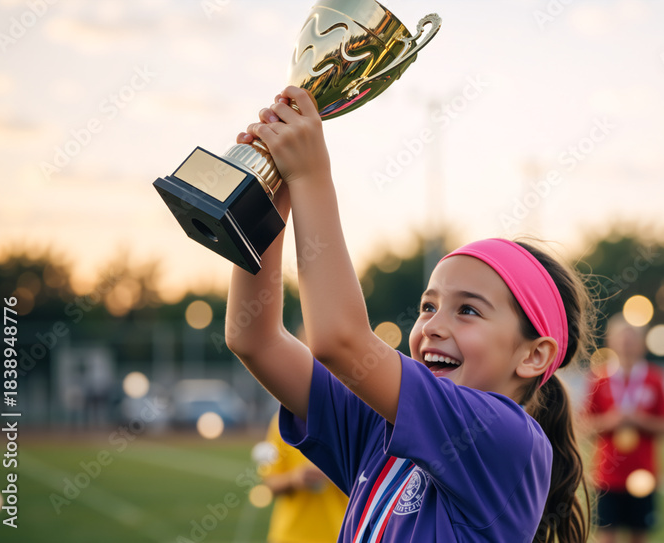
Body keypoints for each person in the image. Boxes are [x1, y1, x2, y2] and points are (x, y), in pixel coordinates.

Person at [224, 87, 593, 543]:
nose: (434, 325)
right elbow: (254, 339)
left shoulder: (507, 437)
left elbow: (339, 340)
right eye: (428, 306)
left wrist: (311, 174)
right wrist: (264, 207)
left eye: (468, 310)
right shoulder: (382, 434)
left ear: (534, 356)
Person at [582, 315, 664, 543]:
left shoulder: (655, 379)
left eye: (631, 339)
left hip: (643, 473)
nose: (626, 344)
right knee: (606, 536)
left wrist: (639, 420)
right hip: (607, 476)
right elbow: (584, 425)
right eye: (621, 338)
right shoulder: (599, 378)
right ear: (611, 341)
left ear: (641, 343)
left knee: (639, 534)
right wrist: (611, 421)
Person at [261, 412, 349, 543]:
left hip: (341, 532)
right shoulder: (283, 420)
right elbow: (270, 483)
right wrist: (295, 479)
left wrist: (336, 471)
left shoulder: (351, 416)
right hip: (291, 535)